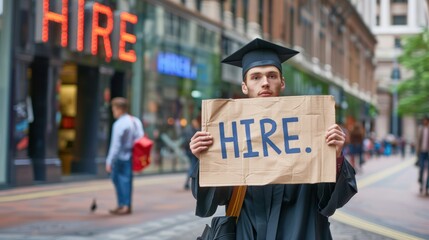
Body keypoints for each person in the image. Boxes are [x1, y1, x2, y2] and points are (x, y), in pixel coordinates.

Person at [189, 38, 357, 239]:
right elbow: (212, 201)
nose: (265, 83)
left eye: (272, 75)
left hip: (301, 231)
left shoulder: (309, 126)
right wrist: (206, 161)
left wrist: (335, 157)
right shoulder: (230, 133)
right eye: (256, 77)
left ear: (282, 82)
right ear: (244, 86)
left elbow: (332, 201)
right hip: (247, 232)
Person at [106, 97, 144, 215]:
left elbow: (115, 145)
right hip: (131, 155)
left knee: (117, 180)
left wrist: (109, 161)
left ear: (119, 109)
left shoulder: (119, 124)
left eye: (114, 109)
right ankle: (125, 205)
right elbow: (141, 137)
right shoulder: (135, 121)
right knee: (127, 181)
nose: (113, 111)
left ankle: (123, 205)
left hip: (120, 157)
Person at [183, 118, 200, 190]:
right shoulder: (192, 130)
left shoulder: (190, 129)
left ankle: (188, 182)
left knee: (192, 166)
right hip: (191, 152)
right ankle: (189, 182)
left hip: (190, 151)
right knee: (193, 166)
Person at [416, 116, 429, 195]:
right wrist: (417, 152)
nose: (425, 122)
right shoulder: (420, 129)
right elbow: (418, 140)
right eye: (424, 121)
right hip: (421, 152)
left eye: (426, 121)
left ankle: (427, 187)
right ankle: (421, 184)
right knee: (421, 169)